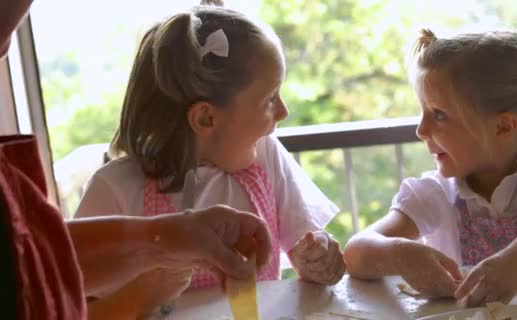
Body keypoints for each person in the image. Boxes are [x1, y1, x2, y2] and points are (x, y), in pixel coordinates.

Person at [0, 1, 273, 319]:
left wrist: (170, 237)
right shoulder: (115, 183)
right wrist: (142, 289)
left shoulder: (263, 162)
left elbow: (31, 261)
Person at [75, 0, 345, 313]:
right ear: (206, 119)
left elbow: (304, 245)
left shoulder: (266, 154)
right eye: (269, 100)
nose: (283, 112)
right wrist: (143, 293)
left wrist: (316, 258)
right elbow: (71, 308)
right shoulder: (115, 190)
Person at [344, 27, 517, 307]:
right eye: (423, 113)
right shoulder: (433, 194)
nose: (421, 130)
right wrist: (399, 253)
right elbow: (356, 252)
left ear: (503, 126)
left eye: (439, 114)